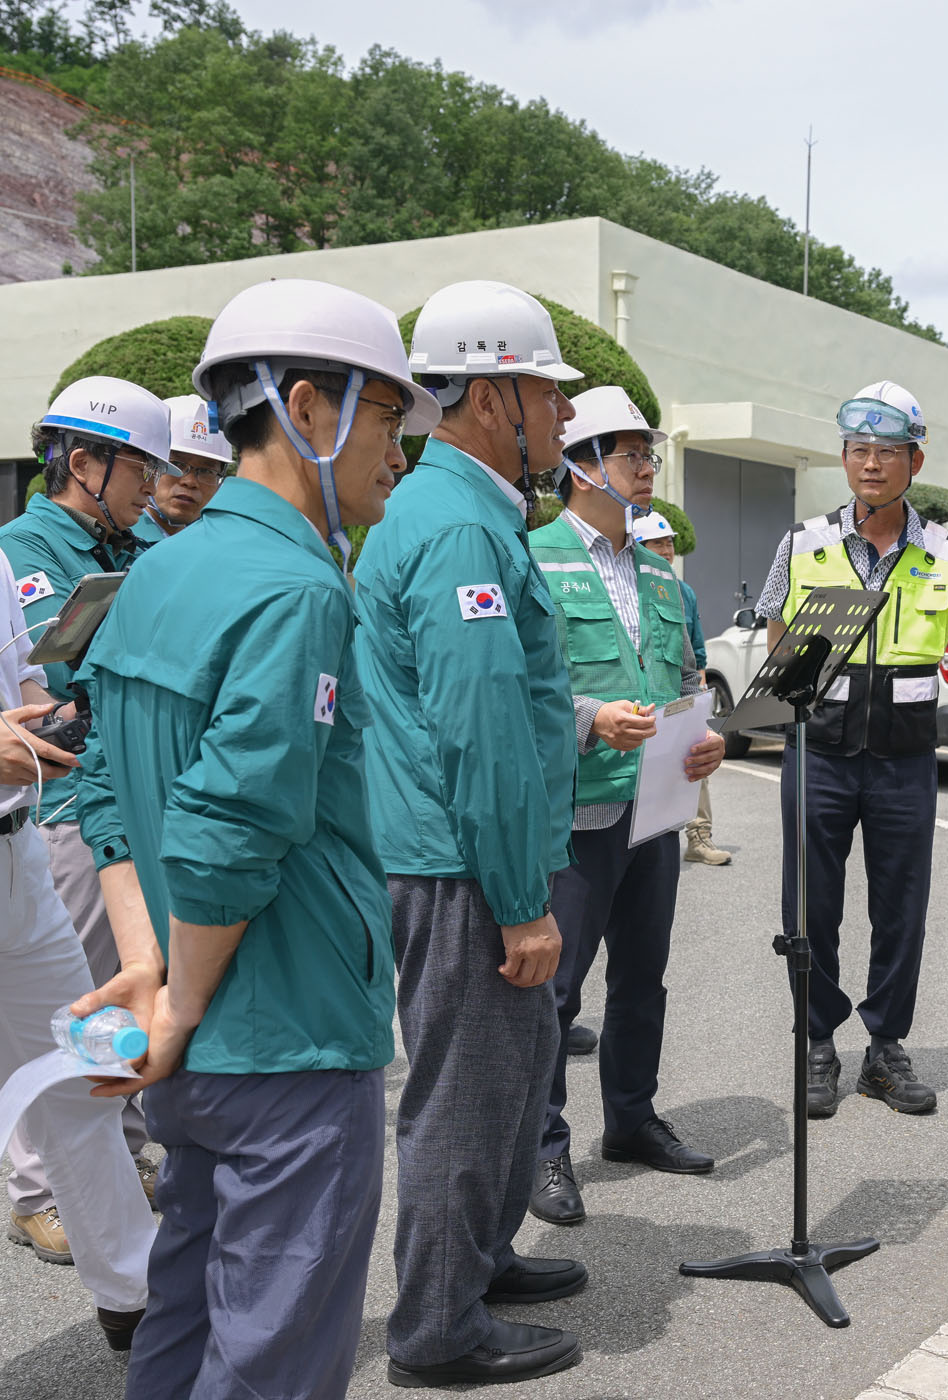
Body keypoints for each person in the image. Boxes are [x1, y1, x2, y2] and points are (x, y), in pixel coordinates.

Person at [68, 277, 432, 1396]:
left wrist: (150, 968)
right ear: (307, 407)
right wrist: (176, 1000)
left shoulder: (159, 567)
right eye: (388, 419)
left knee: (184, 1315)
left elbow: (103, 786)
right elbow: (231, 825)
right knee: (274, 1350)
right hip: (289, 1035)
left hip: (198, 1033)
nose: (399, 453)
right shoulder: (297, 589)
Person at [354, 279, 590, 1387]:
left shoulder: (469, 511)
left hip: (469, 854)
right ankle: (437, 1327)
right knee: (464, 1094)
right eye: (548, 391)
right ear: (492, 396)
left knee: (512, 1072)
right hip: (463, 864)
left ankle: (480, 1261)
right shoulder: (456, 526)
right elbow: (482, 731)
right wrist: (521, 899)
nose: (563, 414)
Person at [527, 388, 725, 1228]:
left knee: (643, 979)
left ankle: (631, 1119)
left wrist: (703, 735)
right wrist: (590, 718)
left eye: (650, 454)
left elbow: (682, 679)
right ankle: (541, 1148)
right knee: (556, 994)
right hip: (575, 815)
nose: (647, 468)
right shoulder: (531, 558)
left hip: (655, 810)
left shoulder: (660, 573)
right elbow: (518, 685)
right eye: (631, 453)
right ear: (581, 466)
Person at [754, 380, 948, 1119]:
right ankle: (816, 1043)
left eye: (888, 451)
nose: (871, 464)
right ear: (843, 457)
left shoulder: (943, 549)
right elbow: (776, 632)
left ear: (915, 461)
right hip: (821, 750)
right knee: (810, 906)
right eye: (859, 450)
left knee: (902, 907)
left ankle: (884, 1050)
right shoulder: (801, 542)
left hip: (906, 755)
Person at [0, 375, 167, 1265]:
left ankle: (124, 1149)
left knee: (120, 996)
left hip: (128, 796)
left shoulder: (138, 542)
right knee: (63, 1012)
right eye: (139, 467)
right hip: (62, 807)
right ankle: (36, 1190)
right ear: (81, 461)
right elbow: (56, 681)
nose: (153, 485)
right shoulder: (25, 549)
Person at [0, 545, 155, 1352]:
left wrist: (48, 725)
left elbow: (22, 685)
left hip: (19, 849)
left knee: (85, 1067)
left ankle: (135, 1292)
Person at [634, 510, 731, 866]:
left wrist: (698, 700)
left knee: (694, 761)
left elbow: (695, 649)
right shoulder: (628, 586)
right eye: (657, 543)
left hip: (679, 695)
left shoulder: (682, 591)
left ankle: (699, 836)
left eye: (669, 543)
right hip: (641, 701)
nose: (666, 550)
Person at [131, 395, 235, 543]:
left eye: (207, 471)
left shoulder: (211, 546)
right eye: (176, 464)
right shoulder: (118, 541)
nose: (190, 482)